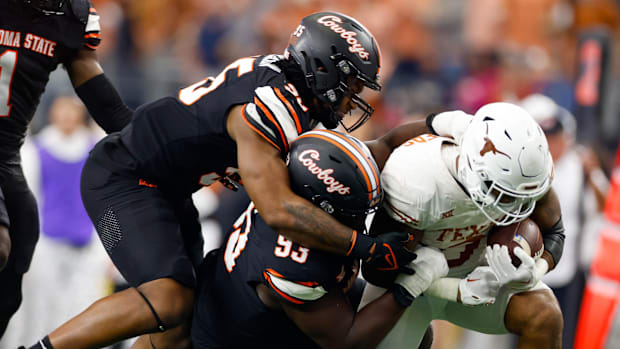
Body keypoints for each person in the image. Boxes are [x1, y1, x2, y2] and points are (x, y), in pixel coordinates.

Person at [25, 12, 425, 349]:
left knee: (177, 332)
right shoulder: (271, 105)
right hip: (124, 182)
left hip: (164, 190)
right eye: (352, 84)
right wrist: (364, 247)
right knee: (168, 302)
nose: (354, 98)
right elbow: (279, 210)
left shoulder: (288, 92)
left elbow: (372, 150)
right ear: (322, 66)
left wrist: (441, 125)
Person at [191, 129, 447, 348]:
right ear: (324, 207)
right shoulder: (293, 263)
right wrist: (410, 286)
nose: (360, 220)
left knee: (413, 330)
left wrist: (447, 126)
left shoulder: (292, 191)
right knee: (389, 331)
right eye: (355, 211)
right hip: (240, 339)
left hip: (269, 306)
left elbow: (386, 144)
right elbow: (347, 341)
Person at [359, 102, 566, 349]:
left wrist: (536, 270)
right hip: (410, 288)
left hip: (480, 276)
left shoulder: (518, 175)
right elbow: (380, 271)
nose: (517, 204)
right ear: (474, 169)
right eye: (506, 193)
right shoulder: (419, 180)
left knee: (544, 315)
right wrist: (455, 290)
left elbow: (555, 232)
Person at [0, 0, 133, 338]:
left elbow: (101, 99)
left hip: (5, 159)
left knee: (17, 255)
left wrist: (149, 141)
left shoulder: (70, 17)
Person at [0, 96, 110, 348]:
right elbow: (28, 199)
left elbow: (105, 200)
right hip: (46, 243)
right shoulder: (35, 151)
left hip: (87, 244)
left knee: (85, 307)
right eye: (62, 110)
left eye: (72, 111)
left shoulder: (97, 150)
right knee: (40, 310)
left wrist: (105, 248)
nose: (67, 117)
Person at [521, 93, 609, 349]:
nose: (554, 143)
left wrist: (592, 171)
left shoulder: (579, 166)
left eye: (557, 137)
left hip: (569, 267)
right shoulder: (531, 166)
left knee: (563, 332)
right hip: (531, 262)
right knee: (527, 328)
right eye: (548, 138)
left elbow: (606, 207)